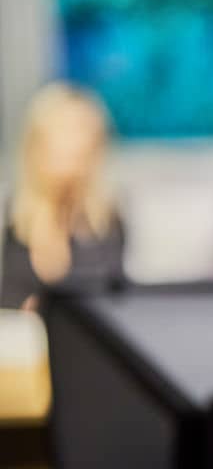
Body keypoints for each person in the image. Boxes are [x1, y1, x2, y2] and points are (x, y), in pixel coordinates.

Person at [0, 82, 126, 311]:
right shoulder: (13, 217)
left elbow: (115, 298)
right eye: (65, 132)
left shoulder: (107, 219)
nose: (75, 145)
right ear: (37, 144)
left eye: (83, 133)